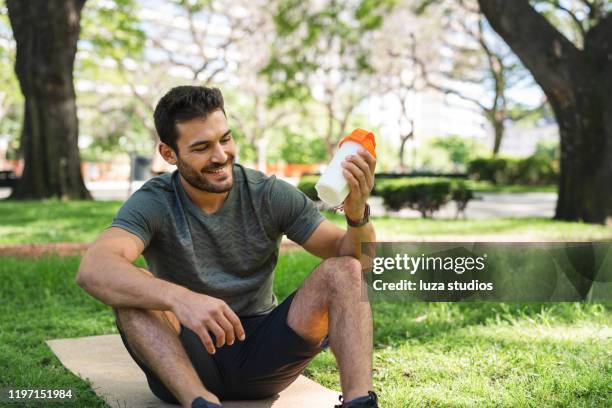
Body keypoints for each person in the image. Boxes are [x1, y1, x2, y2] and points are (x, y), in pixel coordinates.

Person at [76, 86, 379, 408]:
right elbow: (94, 269)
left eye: (225, 139)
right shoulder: (154, 201)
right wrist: (181, 299)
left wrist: (357, 214)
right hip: (186, 360)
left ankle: (360, 402)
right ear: (168, 154)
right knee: (131, 293)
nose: (220, 155)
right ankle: (201, 403)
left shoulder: (269, 193)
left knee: (344, 269)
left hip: (263, 355)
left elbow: (361, 262)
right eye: (202, 147)